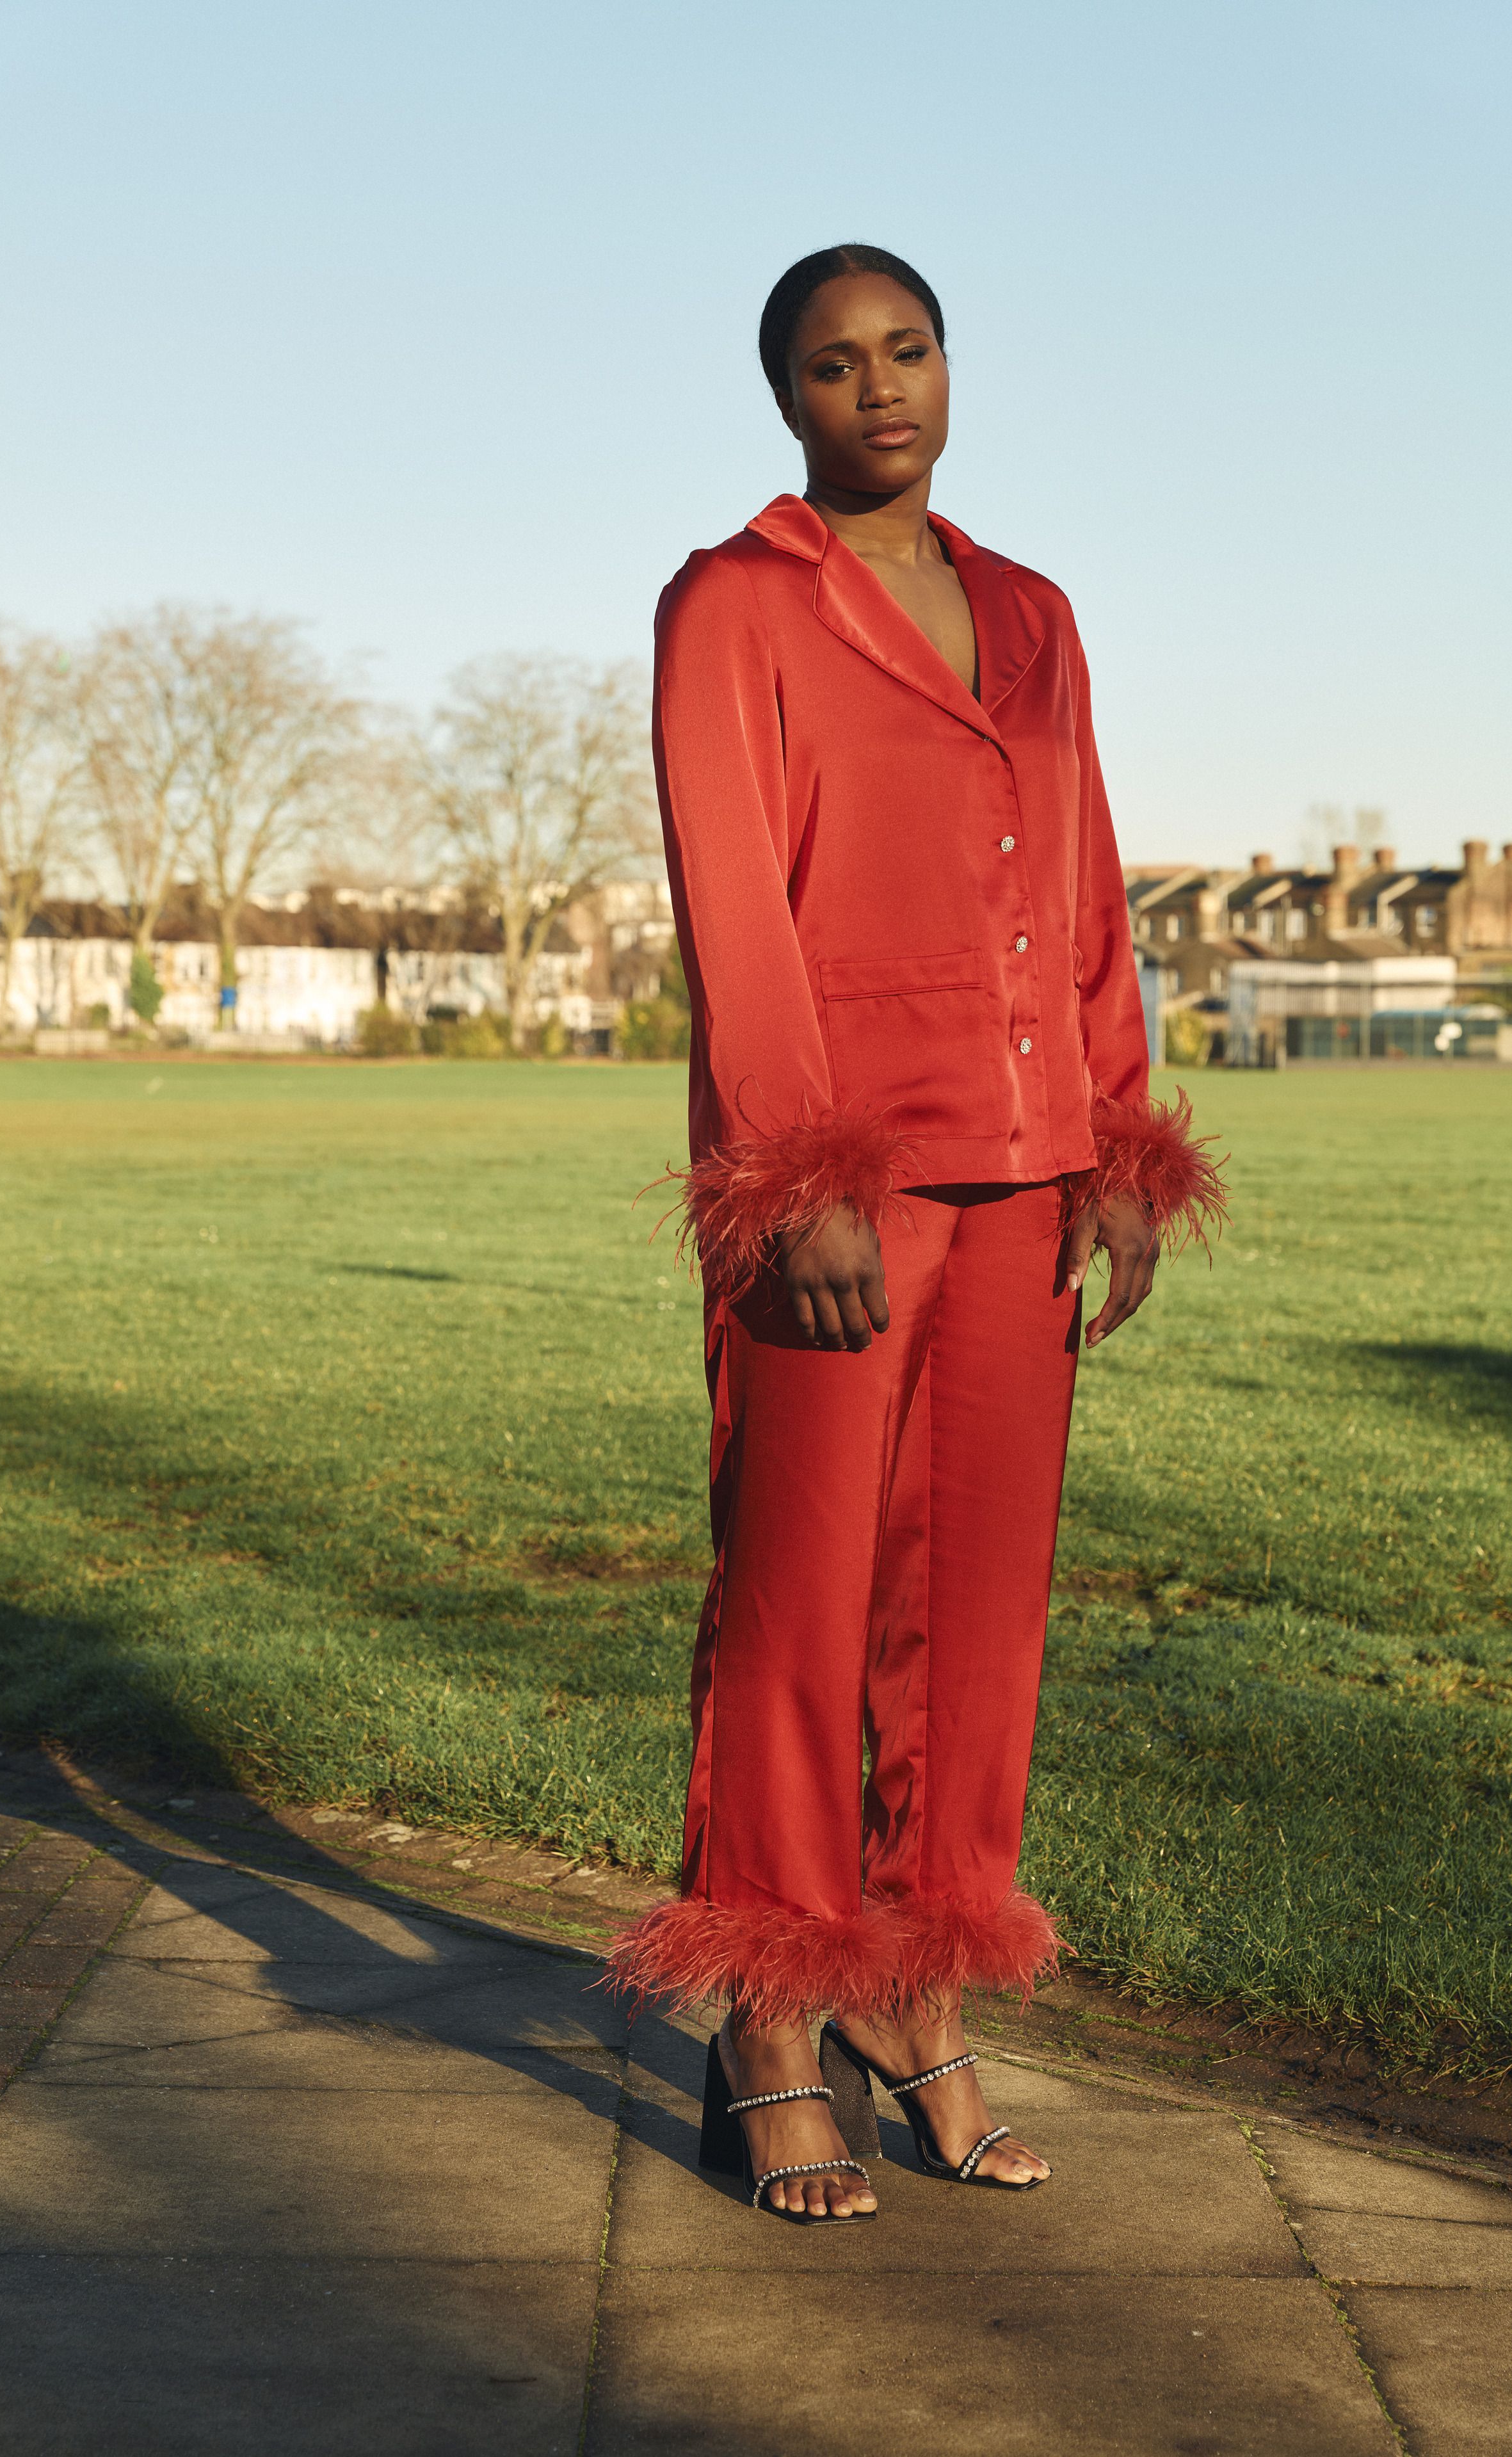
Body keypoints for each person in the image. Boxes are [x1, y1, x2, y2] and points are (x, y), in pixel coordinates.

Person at [608, 244, 1225, 2222]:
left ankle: (915, 1988)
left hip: (1033, 1169)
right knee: (795, 1603)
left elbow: (1092, 878)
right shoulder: (732, 606)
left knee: (973, 1618)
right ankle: (773, 2018)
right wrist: (798, 1174)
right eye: (831, 363)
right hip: (843, 1195)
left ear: (949, 367)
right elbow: (736, 901)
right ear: (782, 398)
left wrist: (1121, 1138)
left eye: (908, 349)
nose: (878, 388)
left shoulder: (1034, 611)